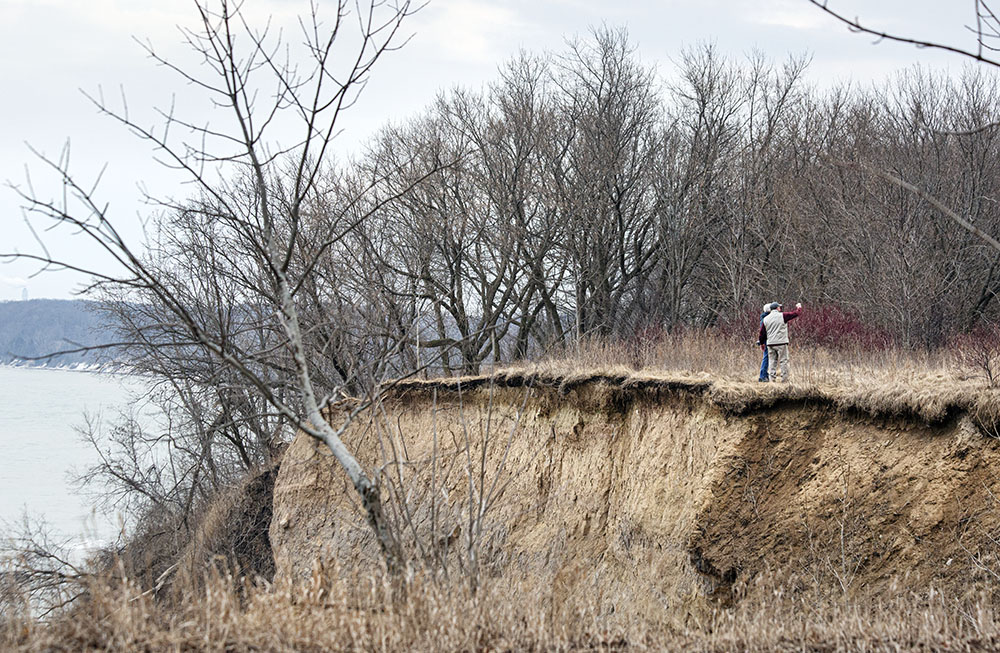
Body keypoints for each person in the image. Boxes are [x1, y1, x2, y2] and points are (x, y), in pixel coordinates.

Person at [758, 301, 803, 383]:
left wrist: (762, 344)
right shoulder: (782, 316)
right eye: (779, 307)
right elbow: (795, 313)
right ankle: (784, 380)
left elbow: (761, 334)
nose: (780, 308)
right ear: (777, 308)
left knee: (772, 362)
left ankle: (772, 380)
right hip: (781, 343)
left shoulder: (765, 319)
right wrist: (799, 307)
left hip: (770, 344)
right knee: (783, 361)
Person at [757, 303, 772, 382]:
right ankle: (763, 376)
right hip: (767, 341)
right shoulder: (766, 318)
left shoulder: (763, 317)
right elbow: (763, 332)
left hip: (765, 340)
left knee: (767, 358)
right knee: (766, 358)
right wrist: (762, 342)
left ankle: (764, 375)